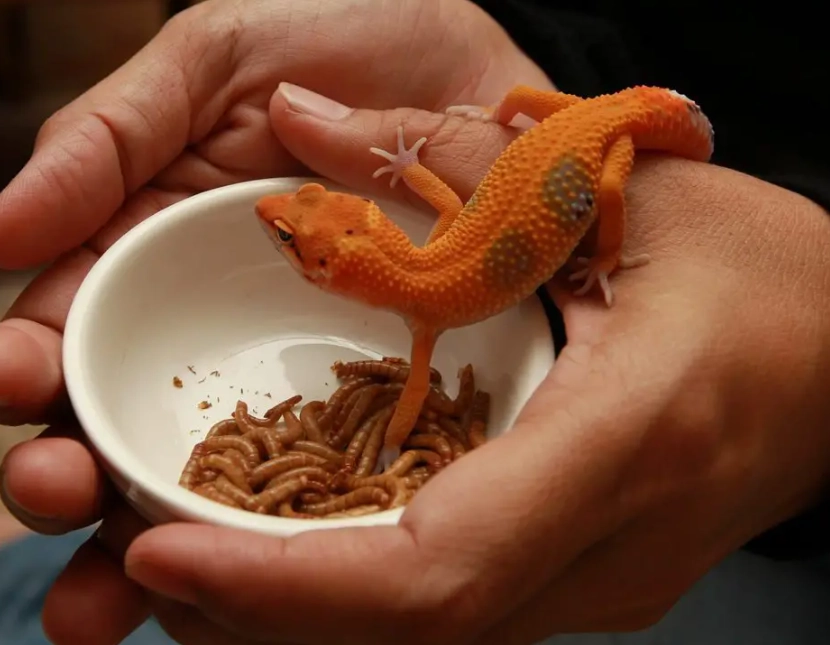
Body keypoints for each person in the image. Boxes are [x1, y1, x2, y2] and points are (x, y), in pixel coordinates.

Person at [1, 0, 829, 643]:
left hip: (610, 142)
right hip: (584, 103)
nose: (280, 220)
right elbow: (437, 189)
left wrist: (618, 257)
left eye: (289, 236)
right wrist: (435, 136)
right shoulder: (426, 264)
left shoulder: (425, 305)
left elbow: (413, 387)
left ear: (330, 266)